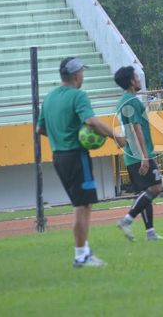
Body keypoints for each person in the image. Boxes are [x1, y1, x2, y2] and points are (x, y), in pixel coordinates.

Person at [37, 57, 126, 268]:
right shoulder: (78, 96)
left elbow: (39, 129)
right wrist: (116, 136)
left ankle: (84, 252)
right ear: (77, 75)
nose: (82, 77)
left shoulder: (49, 98)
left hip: (58, 157)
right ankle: (81, 256)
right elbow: (91, 122)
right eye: (82, 73)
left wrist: (61, 137)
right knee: (82, 206)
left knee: (81, 204)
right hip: (76, 156)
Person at [114, 66, 163, 242]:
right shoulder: (132, 102)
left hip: (130, 155)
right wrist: (144, 156)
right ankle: (127, 220)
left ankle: (150, 232)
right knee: (156, 187)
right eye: (136, 76)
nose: (138, 79)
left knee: (145, 193)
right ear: (131, 81)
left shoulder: (122, 101)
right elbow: (137, 129)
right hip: (139, 154)